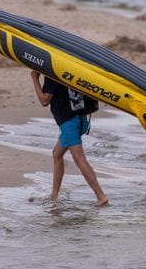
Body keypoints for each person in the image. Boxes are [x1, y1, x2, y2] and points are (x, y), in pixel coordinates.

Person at [30, 71, 109, 207]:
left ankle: (101, 196)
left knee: (80, 160)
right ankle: (54, 196)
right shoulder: (68, 70)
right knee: (57, 153)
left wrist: (34, 78)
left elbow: (44, 100)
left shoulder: (51, 74)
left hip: (69, 123)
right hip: (81, 119)